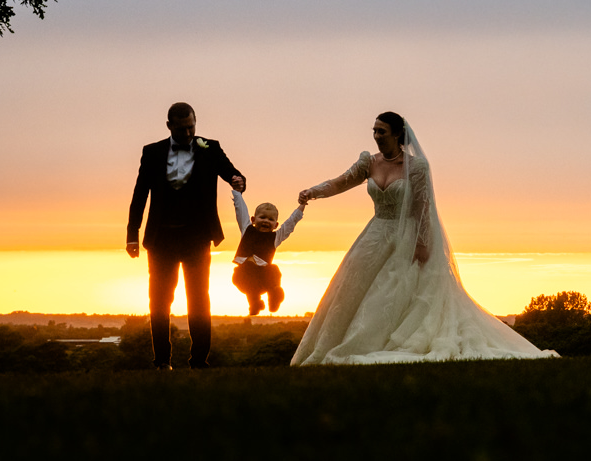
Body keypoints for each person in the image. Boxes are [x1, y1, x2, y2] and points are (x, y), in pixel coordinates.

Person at [290, 111, 557, 365]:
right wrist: (313, 192)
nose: (376, 135)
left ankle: (382, 343)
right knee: (351, 289)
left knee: (391, 293)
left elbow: (423, 207)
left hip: (405, 235)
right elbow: (341, 182)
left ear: (397, 134)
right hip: (374, 234)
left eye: (381, 131)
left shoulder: (416, 167)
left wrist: (421, 242)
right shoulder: (368, 162)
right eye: (373, 130)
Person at [126, 101, 247, 368]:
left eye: (191, 127)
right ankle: (161, 361)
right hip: (161, 239)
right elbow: (139, 195)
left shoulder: (210, 147)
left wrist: (239, 180)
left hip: (197, 237)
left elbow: (232, 173)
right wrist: (132, 235)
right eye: (182, 129)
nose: (189, 133)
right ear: (169, 126)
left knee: (199, 298)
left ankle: (199, 361)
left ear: (195, 122)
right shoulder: (152, 152)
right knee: (159, 301)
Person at [230, 192, 305, 316]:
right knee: (241, 276)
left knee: (273, 270)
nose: (266, 221)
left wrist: (302, 205)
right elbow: (241, 211)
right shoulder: (247, 229)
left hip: (264, 279)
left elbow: (290, 224)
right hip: (245, 277)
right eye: (262, 217)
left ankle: (275, 293)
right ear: (253, 219)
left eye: (270, 219)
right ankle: (255, 303)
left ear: (275, 225)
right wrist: (237, 192)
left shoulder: (275, 237)